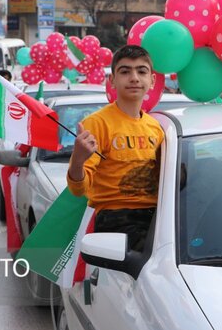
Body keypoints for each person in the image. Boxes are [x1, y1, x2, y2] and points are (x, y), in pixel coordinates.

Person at [67, 45, 164, 252]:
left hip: (159, 217)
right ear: (112, 80)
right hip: (116, 219)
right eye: (125, 71)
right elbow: (78, 190)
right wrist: (78, 159)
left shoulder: (156, 127)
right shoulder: (97, 123)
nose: (134, 78)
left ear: (152, 80)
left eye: (141, 71)